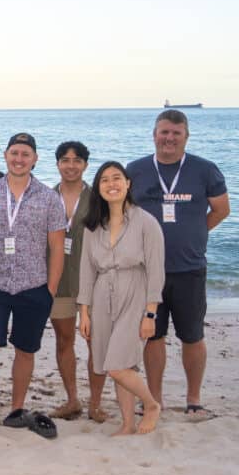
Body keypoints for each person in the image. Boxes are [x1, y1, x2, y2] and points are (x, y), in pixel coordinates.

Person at [126, 109, 230, 418]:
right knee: (153, 336)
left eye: (176, 133)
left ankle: (193, 399)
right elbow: (125, 214)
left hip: (189, 270)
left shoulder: (205, 170)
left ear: (186, 136)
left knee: (192, 336)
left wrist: (194, 233)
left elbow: (221, 210)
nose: (169, 138)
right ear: (154, 134)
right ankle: (153, 399)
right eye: (164, 132)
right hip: (148, 272)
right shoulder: (137, 169)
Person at [0, 133, 67, 434]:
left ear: (35, 159)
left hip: (34, 287)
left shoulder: (50, 198)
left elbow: (56, 248)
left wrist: (50, 291)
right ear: (5, 155)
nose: (19, 158)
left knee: (25, 351)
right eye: (14, 152)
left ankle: (16, 407)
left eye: (25, 154)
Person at [78, 161, 166, 435]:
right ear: (98, 188)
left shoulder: (145, 222)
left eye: (117, 178)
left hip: (134, 292)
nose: (111, 184)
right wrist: (84, 312)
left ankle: (151, 405)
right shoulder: (94, 226)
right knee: (116, 363)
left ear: (128, 184)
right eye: (104, 180)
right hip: (103, 294)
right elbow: (86, 270)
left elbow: (155, 269)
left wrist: (150, 313)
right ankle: (127, 424)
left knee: (117, 365)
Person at [47, 141, 106, 422]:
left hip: (93, 282)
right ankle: (72, 400)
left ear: (85, 165)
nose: (71, 165)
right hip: (58, 281)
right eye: (65, 160)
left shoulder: (99, 199)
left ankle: (95, 404)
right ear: (57, 163)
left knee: (96, 342)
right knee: (64, 340)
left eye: (77, 160)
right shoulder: (46, 197)